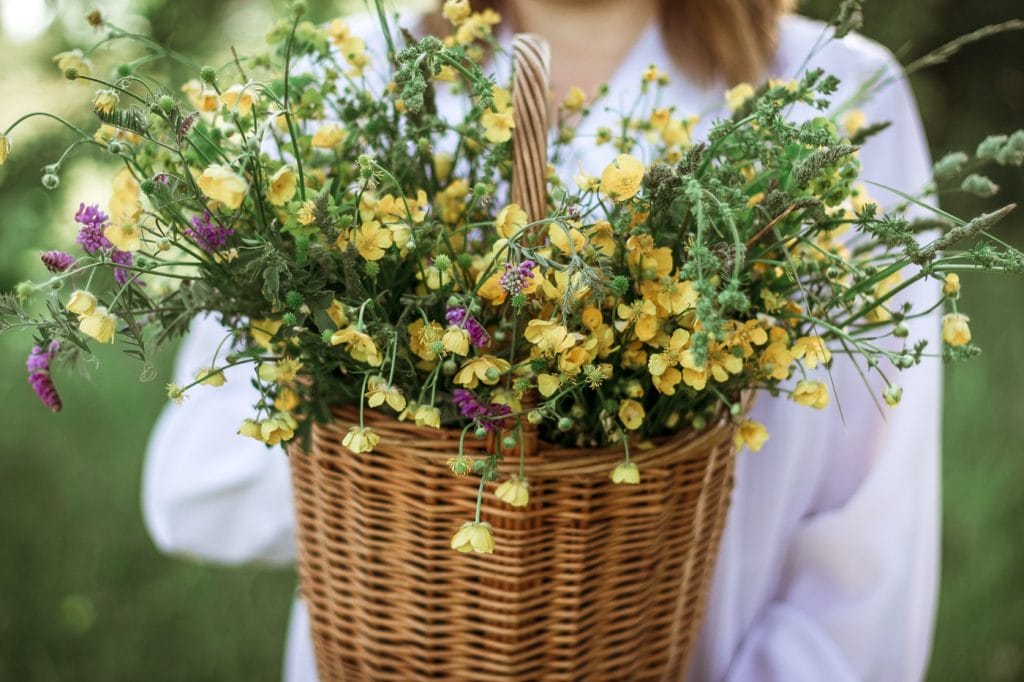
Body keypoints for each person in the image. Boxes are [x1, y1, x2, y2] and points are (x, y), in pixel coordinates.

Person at [144, 1, 941, 680]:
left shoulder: (833, 97)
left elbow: (866, 548)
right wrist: (415, 449)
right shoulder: (349, 78)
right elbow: (194, 490)